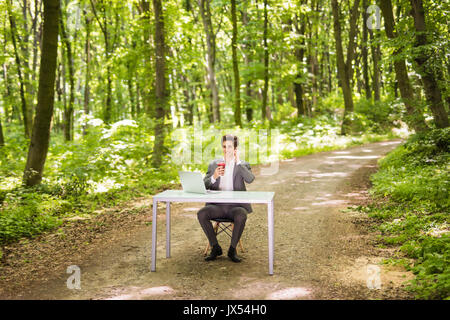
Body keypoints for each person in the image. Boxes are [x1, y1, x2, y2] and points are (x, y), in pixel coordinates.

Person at [197, 134, 255, 263]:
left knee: (241, 215)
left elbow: (250, 179)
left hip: (235, 207)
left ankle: (232, 250)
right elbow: (203, 184)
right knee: (202, 213)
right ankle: (215, 247)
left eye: (229, 147)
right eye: (224, 146)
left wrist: (238, 162)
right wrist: (214, 176)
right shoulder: (214, 164)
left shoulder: (243, 164)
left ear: (235, 148)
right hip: (217, 206)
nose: (226, 150)